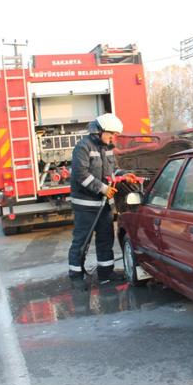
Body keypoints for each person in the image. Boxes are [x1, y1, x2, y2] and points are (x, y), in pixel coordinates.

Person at [67, 113, 136, 283]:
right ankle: (76, 275)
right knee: (82, 241)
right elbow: (80, 174)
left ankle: (106, 274)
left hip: (104, 205)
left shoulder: (108, 148)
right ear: (99, 131)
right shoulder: (83, 147)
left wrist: (124, 175)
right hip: (85, 206)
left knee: (106, 239)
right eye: (111, 134)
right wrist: (103, 189)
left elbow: (111, 172)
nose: (113, 137)